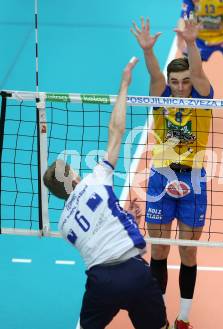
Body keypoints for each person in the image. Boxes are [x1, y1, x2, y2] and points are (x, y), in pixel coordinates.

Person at [42, 57, 168, 329]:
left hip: (101, 283)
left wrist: (124, 217)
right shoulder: (96, 179)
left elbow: (99, 232)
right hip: (134, 272)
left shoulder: (64, 225)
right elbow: (116, 130)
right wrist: (124, 84)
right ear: (73, 175)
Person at [131, 16, 214, 329]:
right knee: (161, 249)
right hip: (161, 178)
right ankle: (158, 317)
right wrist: (149, 51)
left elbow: (201, 73)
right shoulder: (160, 96)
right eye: (175, 81)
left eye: (185, 81)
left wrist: (191, 43)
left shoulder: (204, 99)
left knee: (189, 253)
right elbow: (155, 74)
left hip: (193, 181)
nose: (180, 87)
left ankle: (184, 317)